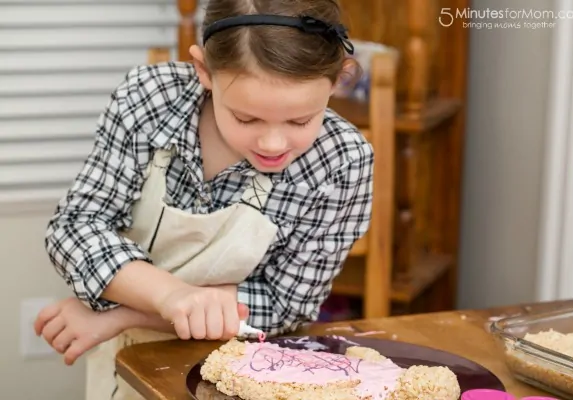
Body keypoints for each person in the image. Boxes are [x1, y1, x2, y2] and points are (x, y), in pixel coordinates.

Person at [34, 0, 374, 398]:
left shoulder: (342, 161)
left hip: (247, 371)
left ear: (338, 80)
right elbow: (75, 227)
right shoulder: (152, 99)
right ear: (203, 71)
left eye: (301, 120)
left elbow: (286, 304)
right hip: (127, 365)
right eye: (246, 118)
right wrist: (170, 296)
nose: (273, 142)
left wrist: (123, 313)